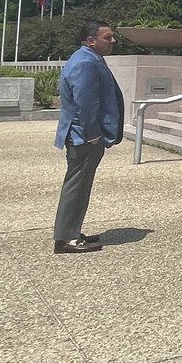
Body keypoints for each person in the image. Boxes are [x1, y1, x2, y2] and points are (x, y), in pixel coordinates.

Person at [52, 20, 124, 254]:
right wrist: (94, 135)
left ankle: (72, 231)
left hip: (83, 136)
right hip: (84, 137)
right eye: (107, 37)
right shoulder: (85, 62)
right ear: (91, 40)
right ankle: (66, 239)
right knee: (76, 187)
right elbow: (86, 104)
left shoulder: (88, 58)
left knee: (80, 186)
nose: (113, 40)